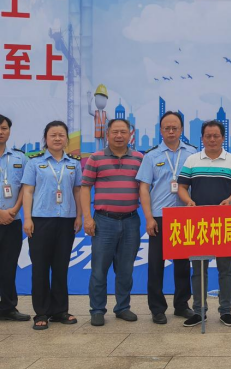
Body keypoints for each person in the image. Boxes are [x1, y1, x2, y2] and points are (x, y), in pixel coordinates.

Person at [177, 120, 231, 328]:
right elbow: (182, 187)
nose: (212, 139)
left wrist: (230, 200)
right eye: (208, 136)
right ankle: (199, 311)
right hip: (198, 221)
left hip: (223, 221)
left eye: (216, 136)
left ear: (223, 138)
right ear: (202, 138)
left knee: (226, 269)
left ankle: (226, 311)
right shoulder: (192, 160)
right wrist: (188, 201)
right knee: (198, 270)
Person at [82, 118, 144, 327]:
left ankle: (122, 307)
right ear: (107, 134)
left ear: (130, 135)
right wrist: (87, 218)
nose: (119, 136)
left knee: (126, 269)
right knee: (99, 269)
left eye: (123, 132)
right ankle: (97, 309)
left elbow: (145, 189)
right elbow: (85, 188)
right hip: (104, 221)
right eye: (115, 132)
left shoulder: (139, 158)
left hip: (131, 221)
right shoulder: (96, 158)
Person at [136, 111, 197, 325]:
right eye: (167, 128)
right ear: (160, 130)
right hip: (160, 217)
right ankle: (157, 308)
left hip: (184, 216)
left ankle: (182, 305)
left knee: (182, 265)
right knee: (156, 265)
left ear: (181, 130)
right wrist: (148, 218)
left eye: (175, 128)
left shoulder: (192, 153)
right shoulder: (151, 156)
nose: (171, 131)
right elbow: (144, 188)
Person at [22, 121, 82, 331]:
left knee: (60, 267)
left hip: (66, 220)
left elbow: (77, 191)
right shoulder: (34, 163)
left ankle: (60, 310)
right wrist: (27, 218)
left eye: (61, 135)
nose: (57, 138)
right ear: (45, 138)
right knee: (40, 268)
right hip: (40, 220)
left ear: (66, 139)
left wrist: (79, 216)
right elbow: (28, 191)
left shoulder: (74, 163)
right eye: (53, 135)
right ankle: (41, 312)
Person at [0, 115, 30, 323]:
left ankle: (8, 307)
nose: (0, 132)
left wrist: (14, 210)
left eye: (4, 128)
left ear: (9, 131)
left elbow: (26, 187)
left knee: (9, 265)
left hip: (13, 220)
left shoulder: (20, 158)